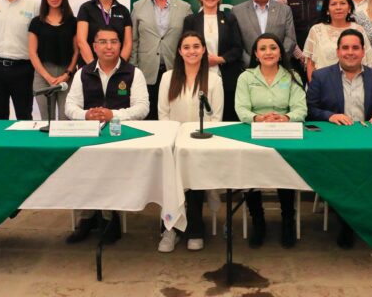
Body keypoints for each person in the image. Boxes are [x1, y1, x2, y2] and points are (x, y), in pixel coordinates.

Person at [306, 28, 372, 249]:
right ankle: (348, 225)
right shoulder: (321, 76)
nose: (350, 52)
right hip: (336, 145)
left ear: (363, 52)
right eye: (345, 48)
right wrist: (330, 116)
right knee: (347, 174)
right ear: (338, 51)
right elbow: (310, 110)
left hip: (369, 141)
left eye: (355, 48)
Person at [64, 26, 149, 243]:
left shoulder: (133, 73)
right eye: (103, 42)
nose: (108, 46)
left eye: (113, 41)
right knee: (80, 166)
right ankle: (87, 217)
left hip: (121, 136)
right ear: (94, 46)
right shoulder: (83, 73)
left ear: (120, 45)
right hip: (89, 136)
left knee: (110, 167)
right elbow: (70, 106)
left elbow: (142, 108)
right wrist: (86, 115)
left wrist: (113, 115)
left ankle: (111, 217)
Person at [235, 33, 307, 249]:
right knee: (250, 171)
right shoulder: (246, 77)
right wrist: (258, 118)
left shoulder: (292, 76)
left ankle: (288, 220)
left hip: (285, 133)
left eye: (273, 48)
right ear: (256, 54)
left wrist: (286, 117)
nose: (268, 52)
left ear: (280, 53)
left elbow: (300, 109)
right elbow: (241, 109)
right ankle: (258, 221)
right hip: (254, 133)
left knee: (284, 172)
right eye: (263, 48)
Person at [157, 31, 224, 252]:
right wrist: (174, 142)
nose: (192, 51)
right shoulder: (168, 78)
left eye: (196, 46)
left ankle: (195, 228)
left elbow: (215, 118)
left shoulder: (214, 80)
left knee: (194, 179)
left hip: (201, 144)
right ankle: (170, 229)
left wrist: (197, 142)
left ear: (204, 50)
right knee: (170, 180)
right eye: (186, 47)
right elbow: (163, 114)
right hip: (173, 144)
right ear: (179, 51)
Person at [131, 0, 193, 120]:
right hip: (146, 72)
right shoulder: (138, 7)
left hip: (175, 70)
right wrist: (134, 69)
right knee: (149, 117)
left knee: (173, 115)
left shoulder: (184, 8)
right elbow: (133, 40)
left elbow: (190, 41)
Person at [183, 0, 243, 121]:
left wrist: (220, 59)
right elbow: (184, 47)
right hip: (198, 74)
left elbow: (237, 48)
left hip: (226, 76)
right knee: (202, 115)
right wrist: (201, 59)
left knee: (226, 117)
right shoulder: (191, 20)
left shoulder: (229, 18)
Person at [28, 0, 78, 121]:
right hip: (43, 76)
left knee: (65, 119)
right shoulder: (36, 22)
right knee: (47, 120)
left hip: (67, 76)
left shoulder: (73, 22)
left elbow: (76, 51)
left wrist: (67, 74)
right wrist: (48, 77)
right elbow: (32, 53)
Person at [277, 0, 330, 82]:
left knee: (321, 92)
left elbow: (331, 26)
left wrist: (314, 56)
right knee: (295, 92)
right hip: (293, 58)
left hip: (321, 57)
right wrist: (300, 55)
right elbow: (282, 29)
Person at [303, 0, 372, 81]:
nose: (338, 7)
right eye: (333, 4)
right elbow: (310, 63)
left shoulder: (358, 30)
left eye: (342, 3)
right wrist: (314, 86)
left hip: (354, 84)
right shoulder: (316, 30)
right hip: (323, 84)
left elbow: (367, 61)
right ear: (327, 10)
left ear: (349, 8)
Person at [233, 0, 296, 67]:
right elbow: (236, 44)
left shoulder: (284, 10)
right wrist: (252, 64)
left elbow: (290, 40)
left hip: (278, 68)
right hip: (249, 70)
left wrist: (275, 61)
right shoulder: (237, 11)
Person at [76, 0, 132, 65]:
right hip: (89, 67)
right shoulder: (86, 8)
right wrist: (93, 67)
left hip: (117, 70)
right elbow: (81, 41)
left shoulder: (124, 11)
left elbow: (128, 44)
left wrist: (118, 67)